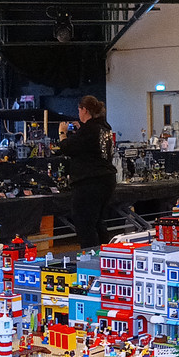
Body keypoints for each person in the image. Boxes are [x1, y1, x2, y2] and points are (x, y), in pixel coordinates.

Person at [56, 96, 116, 249]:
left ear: (85, 110)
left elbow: (67, 148)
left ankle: (91, 258)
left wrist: (62, 134)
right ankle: (105, 255)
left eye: (79, 110)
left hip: (89, 182)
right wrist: (81, 131)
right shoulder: (105, 128)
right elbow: (92, 147)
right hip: (107, 180)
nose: (78, 114)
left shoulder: (89, 130)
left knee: (84, 223)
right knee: (98, 221)